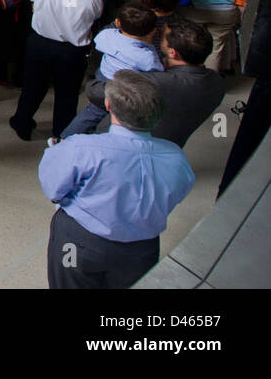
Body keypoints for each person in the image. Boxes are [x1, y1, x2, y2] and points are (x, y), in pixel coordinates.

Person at [39, 70, 195, 289]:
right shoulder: (177, 157)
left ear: (108, 106)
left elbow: (53, 188)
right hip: (142, 250)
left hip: (78, 243)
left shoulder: (82, 147)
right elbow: (177, 194)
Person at [82, 20, 223, 148]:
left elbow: (95, 91)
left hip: (116, 144)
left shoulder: (155, 82)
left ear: (173, 52)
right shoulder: (217, 84)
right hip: (168, 147)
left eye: (162, 36)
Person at [9, 0, 103, 141]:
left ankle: (22, 123)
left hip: (40, 44)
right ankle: (61, 131)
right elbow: (96, 16)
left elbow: (33, 0)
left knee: (33, 87)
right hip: (72, 51)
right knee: (67, 93)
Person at [59, 4, 164, 139]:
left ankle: (64, 138)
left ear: (118, 23)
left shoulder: (106, 35)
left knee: (92, 112)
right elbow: (158, 71)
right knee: (117, 118)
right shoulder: (147, 57)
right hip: (124, 88)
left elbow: (97, 42)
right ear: (152, 31)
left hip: (101, 79)